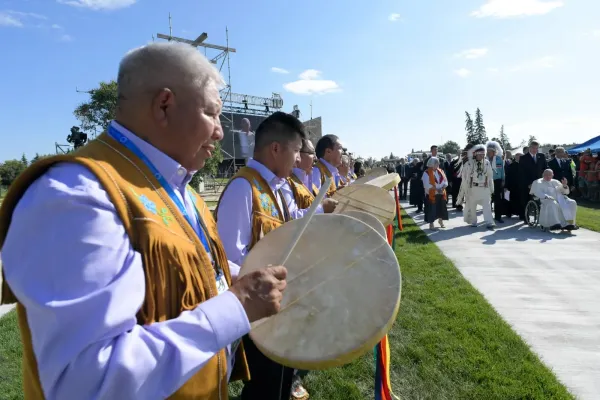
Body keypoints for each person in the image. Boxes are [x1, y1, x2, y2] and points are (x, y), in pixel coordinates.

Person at [0, 42, 290, 400]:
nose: (219, 131)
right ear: (164, 105)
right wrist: (236, 306)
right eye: (212, 114)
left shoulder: (183, 192)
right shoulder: (77, 196)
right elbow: (86, 382)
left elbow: (192, 272)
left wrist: (239, 275)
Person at [216, 111, 337, 400]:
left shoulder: (277, 187)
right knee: (265, 385)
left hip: (279, 302)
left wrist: (319, 210)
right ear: (275, 148)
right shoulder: (243, 187)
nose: (299, 159)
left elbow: (289, 220)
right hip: (258, 309)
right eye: (296, 151)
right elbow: (228, 258)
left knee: (280, 379)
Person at [457, 144, 495, 229]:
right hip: (473, 188)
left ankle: (489, 222)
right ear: (475, 154)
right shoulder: (469, 164)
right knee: (472, 206)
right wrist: (465, 190)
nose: (482, 156)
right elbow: (465, 178)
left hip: (484, 188)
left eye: (483, 154)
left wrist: (491, 188)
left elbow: (490, 176)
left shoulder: (487, 163)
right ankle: (473, 221)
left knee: (487, 206)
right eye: (480, 154)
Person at [518, 141, 548, 221]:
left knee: (539, 200)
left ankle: (539, 218)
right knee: (526, 200)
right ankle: (526, 218)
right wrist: (529, 183)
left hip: (539, 182)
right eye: (533, 148)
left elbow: (545, 169)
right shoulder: (523, 158)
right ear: (529, 148)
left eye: (536, 148)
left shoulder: (541, 156)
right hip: (527, 183)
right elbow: (522, 172)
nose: (535, 150)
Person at [422, 156, 449, 229]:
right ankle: (431, 224)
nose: (438, 165)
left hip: (441, 194)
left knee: (441, 209)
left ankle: (441, 221)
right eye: (436, 163)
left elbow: (445, 181)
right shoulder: (426, 173)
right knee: (431, 210)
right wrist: (437, 189)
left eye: (438, 163)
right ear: (431, 164)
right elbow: (427, 185)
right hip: (432, 195)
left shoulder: (441, 171)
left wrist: (442, 188)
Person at [486, 141, 505, 223]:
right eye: (488, 151)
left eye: (490, 151)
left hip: (497, 181)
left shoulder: (499, 159)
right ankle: (488, 217)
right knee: (488, 200)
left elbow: (502, 170)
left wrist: (503, 180)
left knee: (498, 200)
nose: (489, 152)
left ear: (494, 151)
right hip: (487, 181)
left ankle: (498, 216)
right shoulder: (484, 160)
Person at [504, 152, 523, 218]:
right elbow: (508, 176)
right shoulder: (511, 165)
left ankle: (521, 213)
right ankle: (509, 212)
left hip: (521, 185)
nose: (519, 158)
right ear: (515, 157)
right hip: (512, 186)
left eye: (520, 156)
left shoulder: (524, 165)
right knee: (511, 199)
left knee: (521, 200)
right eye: (518, 156)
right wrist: (506, 186)